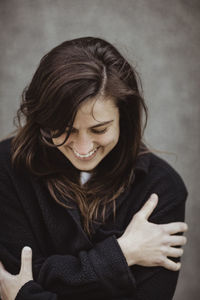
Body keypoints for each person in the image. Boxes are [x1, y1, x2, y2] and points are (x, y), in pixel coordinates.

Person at [0, 37, 188, 300]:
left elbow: (22, 286)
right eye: (66, 130)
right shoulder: (7, 165)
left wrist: (29, 294)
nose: (83, 147)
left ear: (125, 116)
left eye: (99, 129)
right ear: (44, 120)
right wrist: (123, 253)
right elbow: (14, 273)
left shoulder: (162, 188)